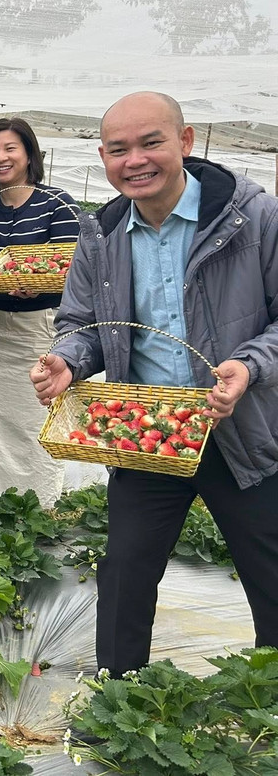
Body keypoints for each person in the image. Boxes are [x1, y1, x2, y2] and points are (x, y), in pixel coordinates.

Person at [31, 91, 278, 678]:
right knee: (126, 568)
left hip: (239, 428)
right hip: (149, 430)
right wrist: (69, 360)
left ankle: (268, 696)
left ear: (186, 142)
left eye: (151, 143)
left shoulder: (254, 219)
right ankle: (118, 694)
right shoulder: (102, 234)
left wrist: (247, 367)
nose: (135, 160)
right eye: (119, 150)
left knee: (269, 565)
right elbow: (82, 324)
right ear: (103, 157)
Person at [0, 118, 79, 508]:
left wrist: (42, 281)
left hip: (40, 325)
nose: (0, 158)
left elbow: (74, 267)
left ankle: (38, 504)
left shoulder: (57, 203)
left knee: (35, 414)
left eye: (9, 148)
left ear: (29, 154)